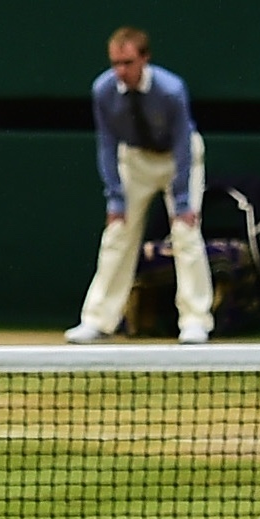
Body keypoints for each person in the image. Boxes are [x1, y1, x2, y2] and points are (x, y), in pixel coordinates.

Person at [67, 24, 209, 345]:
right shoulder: (103, 90)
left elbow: (183, 145)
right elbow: (106, 144)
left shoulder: (172, 90)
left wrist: (182, 201)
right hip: (135, 160)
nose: (120, 71)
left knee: (186, 233)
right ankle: (98, 320)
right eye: (115, 63)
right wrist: (114, 197)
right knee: (117, 234)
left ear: (145, 59)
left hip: (178, 159)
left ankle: (195, 321)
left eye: (128, 63)